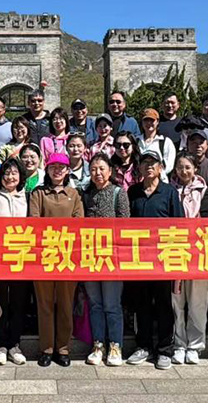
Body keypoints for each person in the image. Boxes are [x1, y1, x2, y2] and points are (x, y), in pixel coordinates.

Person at [127, 150, 184, 370]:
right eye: (145, 163)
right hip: (138, 259)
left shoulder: (169, 192)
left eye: (153, 163)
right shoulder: (133, 192)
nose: (149, 166)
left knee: (163, 305)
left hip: (162, 259)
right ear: (139, 168)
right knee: (141, 304)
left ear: (161, 167)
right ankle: (143, 346)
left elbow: (179, 225)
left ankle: (164, 349)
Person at [29, 153, 84, 367]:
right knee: (44, 304)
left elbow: (79, 222)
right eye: (53, 167)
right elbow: (34, 221)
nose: (57, 170)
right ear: (47, 170)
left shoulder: (74, 194)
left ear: (68, 170)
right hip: (43, 256)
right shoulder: (38, 193)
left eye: (62, 167)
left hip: (67, 257)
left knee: (65, 304)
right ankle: (46, 348)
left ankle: (63, 348)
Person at [83, 153, 130, 367]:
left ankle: (115, 345)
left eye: (102, 168)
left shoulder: (119, 193)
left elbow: (125, 225)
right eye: (93, 169)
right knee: (95, 304)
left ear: (110, 171)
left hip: (112, 258)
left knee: (112, 304)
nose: (98, 173)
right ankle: (98, 344)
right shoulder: (86, 194)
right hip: (89, 256)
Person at [170, 152, 208, 365]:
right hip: (173, 252)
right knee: (176, 302)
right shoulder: (169, 190)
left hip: (198, 253)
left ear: (195, 168)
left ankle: (195, 345)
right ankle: (179, 343)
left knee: (197, 302)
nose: (184, 171)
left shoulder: (203, 190)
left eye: (188, 167)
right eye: (180, 167)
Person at [0, 158, 29, 366]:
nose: (10, 177)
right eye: (6, 173)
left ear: (21, 176)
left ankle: (14, 344)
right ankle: (0, 344)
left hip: (22, 259)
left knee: (19, 303)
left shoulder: (27, 198)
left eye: (14, 173)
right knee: (0, 301)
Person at [137, 108, 176, 181]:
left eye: (152, 120)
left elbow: (169, 165)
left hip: (160, 181)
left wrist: (155, 174)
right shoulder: (136, 141)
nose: (149, 123)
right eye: (146, 120)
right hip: (138, 181)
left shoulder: (166, 142)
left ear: (157, 121)